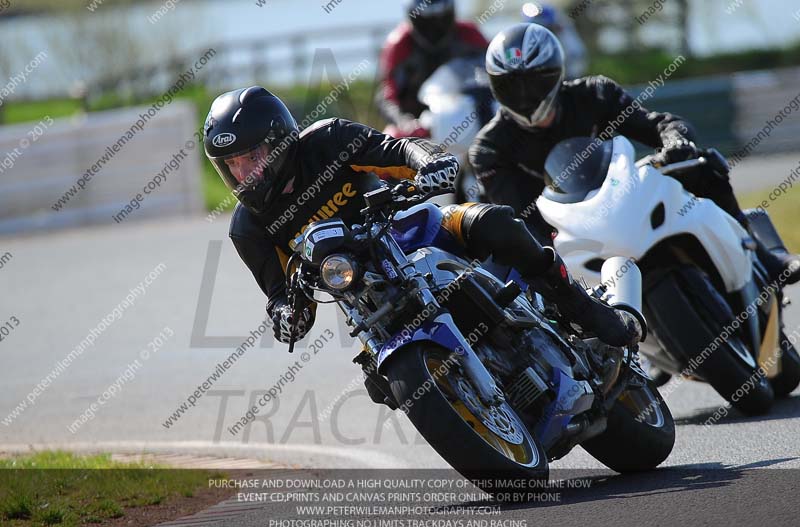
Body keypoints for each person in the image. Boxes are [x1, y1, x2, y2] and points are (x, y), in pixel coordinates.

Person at [203, 86, 640, 348]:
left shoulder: (329, 140)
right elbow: (280, 295)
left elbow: (398, 151)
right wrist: (285, 315)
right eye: (232, 165)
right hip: (366, 295)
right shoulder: (248, 226)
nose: (243, 173)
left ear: (279, 142)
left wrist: (431, 161)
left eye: (251, 157)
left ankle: (579, 306)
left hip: (414, 230)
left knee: (495, 222)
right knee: (382, 386)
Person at [469, 23, 800, 285]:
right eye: (512, 85)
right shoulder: (489, 148)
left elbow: (658, 124)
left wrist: (675, 142)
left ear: (556, 74)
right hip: (565, 232)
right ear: (495, 87)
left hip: (621, 195)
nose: (525, 96)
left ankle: (761, 256)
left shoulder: (594, 93)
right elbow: (520, 216)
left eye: (534, 82)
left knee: (704, 163)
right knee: (527, 271)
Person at [377, 0, 489, 138]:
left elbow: (494, 72)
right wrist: (406, 123)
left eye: (441, 18)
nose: (435, 27)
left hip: (470, 117)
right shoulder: (398, 45)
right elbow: (387, 97)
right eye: (427, 20)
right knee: (391, 139)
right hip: (421, 126)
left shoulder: (470, 35)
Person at [521, 2, 587, 79]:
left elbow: (577, 55)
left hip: (565, 77)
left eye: (548, 28)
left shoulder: (564, 35)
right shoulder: (527, 42)